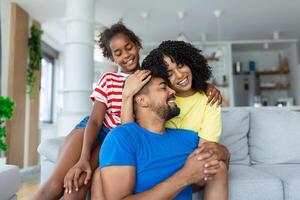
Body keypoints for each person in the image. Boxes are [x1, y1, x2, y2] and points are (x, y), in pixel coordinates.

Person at [31, 22, 222, 200]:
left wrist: (204, 85)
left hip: (116, 135)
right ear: (112, 57)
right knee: (58, 183)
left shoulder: (152, 76)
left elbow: (174, 84)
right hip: (95, 127)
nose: (126, 55)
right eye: (118, 53)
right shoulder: (109, 80)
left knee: (82, 182)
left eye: (129, 47)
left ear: (137, 45)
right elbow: (96, 121)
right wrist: (83, 157)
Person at [98, 75, 223, 200]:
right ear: (142, 100)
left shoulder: (188, 138)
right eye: (163, 87)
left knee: (220, 167)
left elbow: (214, 165)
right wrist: (185, 176)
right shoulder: (120, 138)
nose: (173, 91)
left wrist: (223, 153)